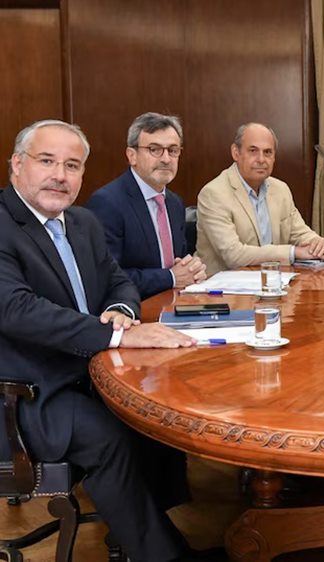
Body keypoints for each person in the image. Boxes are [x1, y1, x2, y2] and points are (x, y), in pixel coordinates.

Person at [0, 120, 221, 562]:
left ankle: (141, 533)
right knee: (110, 437)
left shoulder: (81, 221)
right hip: (27, 392)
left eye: (72, 165)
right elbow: (17, 310)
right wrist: (119, 334)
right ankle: (162, 555)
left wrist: (121, 310)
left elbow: (118, 281)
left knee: (157, 412)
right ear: (17, 166)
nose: (60, 175)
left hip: (84, 371)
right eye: (47, 161)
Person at [86, 112, 207, 298]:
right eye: (154, 149)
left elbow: (179, 262)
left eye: (173, 150)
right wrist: (170, 277)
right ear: (132, 156)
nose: (166, 159)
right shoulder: (107, 203)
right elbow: (106, 277)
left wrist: (192, 269)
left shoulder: (174, 203)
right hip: (134, 307)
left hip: (174, 302)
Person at [196, 122, 324, 275]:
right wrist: (292, 252)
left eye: (267, 152)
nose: (261, 159)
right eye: (253, 151)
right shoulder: (213, 194)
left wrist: (317, 243)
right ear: (236, 153)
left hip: (273, 281)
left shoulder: (280, 189)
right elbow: (233, 255)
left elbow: (300, 232)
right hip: (224, 286)